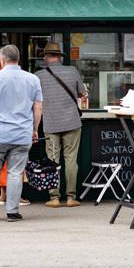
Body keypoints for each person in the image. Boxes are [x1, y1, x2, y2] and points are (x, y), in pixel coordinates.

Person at [0, 44, 43, 222]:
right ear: (18, 59)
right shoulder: (33, 79)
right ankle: (12, 212)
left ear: (2, 60)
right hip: (22, 134)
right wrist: (34, 129)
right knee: (15, 173)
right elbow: (38, 108)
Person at [35, 41, 86, 208]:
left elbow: (35, 101)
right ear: (59, 57)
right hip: (72, 121)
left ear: (47, 57)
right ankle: (71, 197)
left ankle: (54, 197)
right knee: (71, 160)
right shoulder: (72, 71)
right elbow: (81, 93)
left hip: (51, 123)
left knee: (53, 159)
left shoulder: (38, 76)